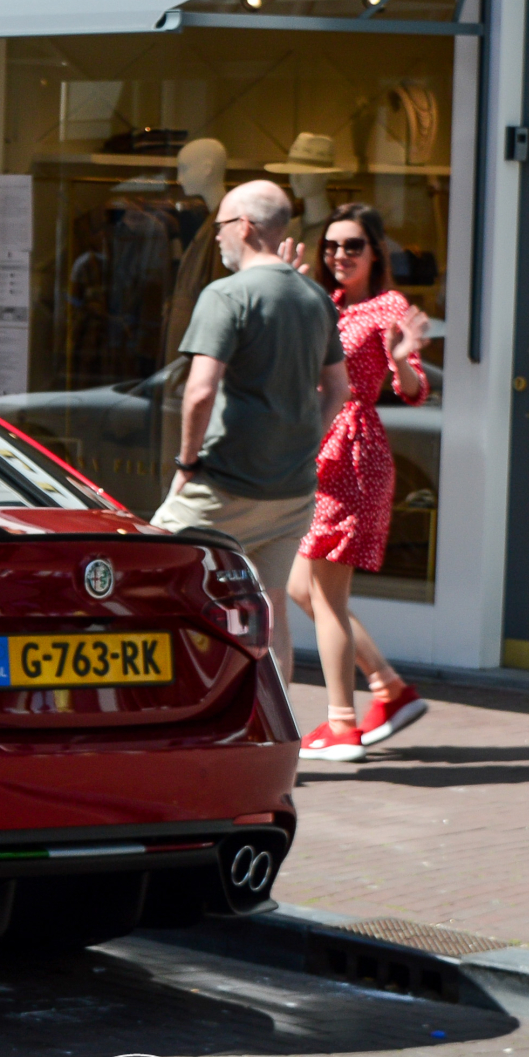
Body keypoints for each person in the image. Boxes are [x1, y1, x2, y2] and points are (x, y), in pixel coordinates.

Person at [151, 179, 349, 683]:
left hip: (224, 484)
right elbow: (337, 389)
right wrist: (303, 444)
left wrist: (187, 465)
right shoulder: (314, 297)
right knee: (271, 606)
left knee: (146, 576)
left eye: (219, 225)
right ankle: (275, 737)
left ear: (244, 226)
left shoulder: (226, 295)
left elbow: (199, 392)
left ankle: (157, 712)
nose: (215, 237)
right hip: (291, 490)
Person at [287, 204, 432, 760]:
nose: (339, 256)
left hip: (351, 450)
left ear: (375, 253)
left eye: (351, 245)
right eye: (331, 247)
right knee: (305, 588)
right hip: (323, 447)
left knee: (325, 592)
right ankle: (390, 689)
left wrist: (400, 362)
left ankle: (343, 724)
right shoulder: (330, 304)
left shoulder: (387, 306)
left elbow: (415, 387)